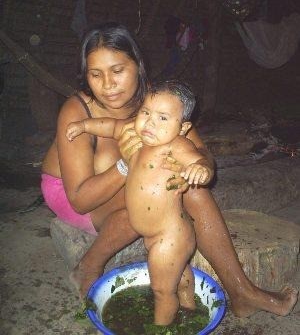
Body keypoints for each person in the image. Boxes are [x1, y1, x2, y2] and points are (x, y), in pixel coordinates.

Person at [41, 22, 298, 319]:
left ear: (138, 66)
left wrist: (199, 168)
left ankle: (241, 291)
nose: (107, 85)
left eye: (118, 70)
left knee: (192, 191)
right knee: (152, 198)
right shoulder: (78, 110)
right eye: (95, 74)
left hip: (125, 184)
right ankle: (88, 266)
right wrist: (125, 164)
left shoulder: (157, 101)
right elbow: (80, 199)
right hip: (74, 193)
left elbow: (202, 154)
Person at [66, 80, 213, 325]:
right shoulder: (134, 134)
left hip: (169, 236)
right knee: (179, 275)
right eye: (146, 112)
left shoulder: (176, 146)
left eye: (163, 118)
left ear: (183, 127)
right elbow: (110, 126)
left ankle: (160, 328)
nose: (150, 122)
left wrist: (201, 170)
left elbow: (200, 162)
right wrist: (84, 125)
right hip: (155, 235)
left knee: (162, 291)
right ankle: (189, 308)